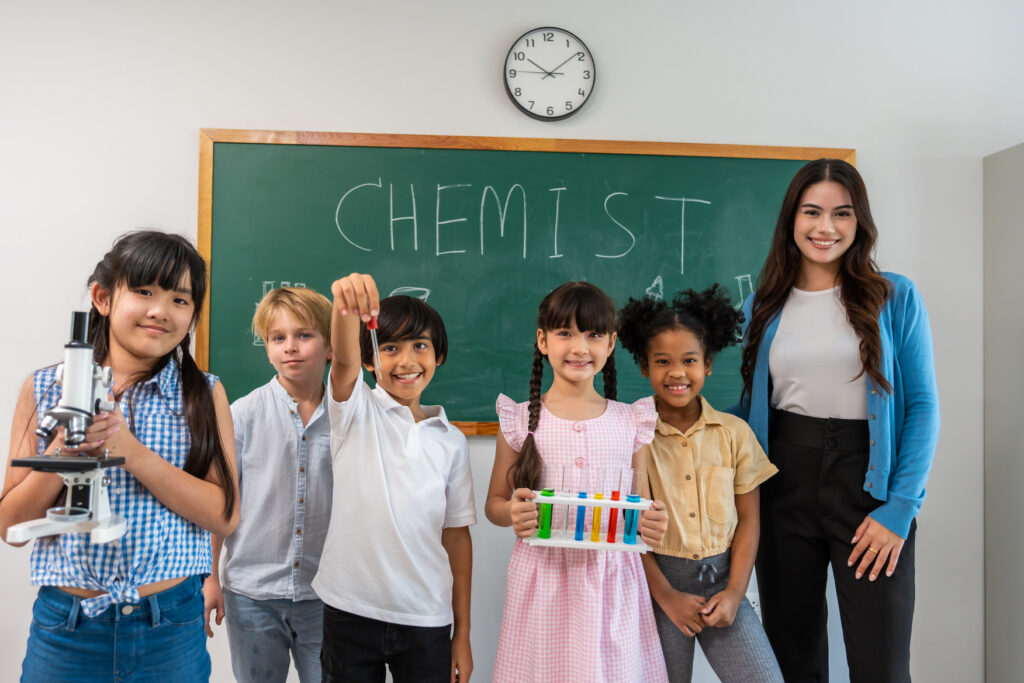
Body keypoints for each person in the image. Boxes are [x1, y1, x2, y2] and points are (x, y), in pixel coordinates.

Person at [733, 159, 940, 682]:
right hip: (782, 485)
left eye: (841, 214)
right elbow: (748, 409)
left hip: (869, 488)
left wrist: (900, 508)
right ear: (791, 220)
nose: (826, 228)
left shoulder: (893, 296)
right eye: (812, 212)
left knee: (882, 666)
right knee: (791, 659)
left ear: (859, 222)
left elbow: (922, 407)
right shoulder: (762, 305)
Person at [0, 230, 239, 682]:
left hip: (168, 627)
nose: (160, 310)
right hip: (66, 630)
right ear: (103, 298)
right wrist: (65, 451)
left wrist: (129, 452)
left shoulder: (203, 395)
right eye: (144, 291)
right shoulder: (45, 388)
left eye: (180, 300)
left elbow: (224, 515)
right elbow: (10, 527)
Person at [484, 281, 670, 683]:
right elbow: (495, 505)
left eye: (594, 334)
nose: (580, 347)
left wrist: (655, 523)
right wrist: (512, 511)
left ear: (611, 343)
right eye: (565, 333)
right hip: (542, 581)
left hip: (612, 584)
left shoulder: (631, 421)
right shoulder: (518, 420)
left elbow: (643, 506)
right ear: (543, 340)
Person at [618, 285, 783, 683]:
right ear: (644, 367)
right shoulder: (631, 435)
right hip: (659, 587)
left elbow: (749, 521)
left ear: (707, 364)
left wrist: (736, 593)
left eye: (689, 360)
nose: (677, 373)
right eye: (662, 361)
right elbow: (627, 528)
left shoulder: (734, 434)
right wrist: (668, 598)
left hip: (725, 583)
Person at [317, 273, 475, 683]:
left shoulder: (451, 441)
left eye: (420, 346)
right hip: (351, 610)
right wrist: (344, 303)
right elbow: (344, 360)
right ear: (371, 360)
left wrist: (464, 634)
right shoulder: (354, 410)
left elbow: (456, 537)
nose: (406, 362)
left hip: (426, 614)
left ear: (438, 354)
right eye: (390, 348)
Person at [203, 287, 334, 682]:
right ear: (267, 348)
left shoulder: (350, 417)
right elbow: (218, 504)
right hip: (252, 593)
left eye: (304, 335)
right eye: (278, 338)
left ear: (331, 347)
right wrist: (210, 577)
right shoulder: (241, 415)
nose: (290, 348)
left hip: (326, 595)